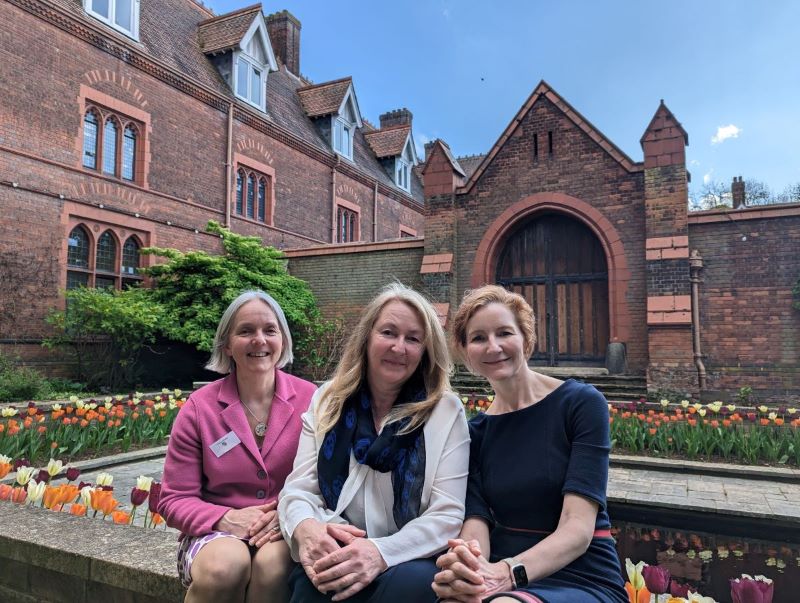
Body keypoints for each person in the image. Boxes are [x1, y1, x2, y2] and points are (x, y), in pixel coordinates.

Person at [432, 285, 627, 603]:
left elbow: (577, 527)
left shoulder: (579, 404)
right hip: (501, 573)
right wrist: (470, 568)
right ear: (466, 351)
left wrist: (509, 574)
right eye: (479, 338)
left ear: (525, 338)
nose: (493, 347)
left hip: (582, 574)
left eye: (504, 333)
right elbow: (475, 521)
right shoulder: (476, 432)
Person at [278, 283, 470, 603]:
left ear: (426, 350)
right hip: (336, 541)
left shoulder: (445, 411)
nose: (399, 347)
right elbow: (298, 489)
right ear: (367, 337)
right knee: (315, 586)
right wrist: (306, 527)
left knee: (408, 588)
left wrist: (379, 552)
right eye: (388, 333)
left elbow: (447, 515)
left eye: (413, 338)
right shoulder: (328, 399)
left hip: (410, 556)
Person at [159, 290, 317, 602]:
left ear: (282, 340)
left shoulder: (312, 400)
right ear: (227, 345)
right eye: (246, 331)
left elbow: (327, 479)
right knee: (225, 567)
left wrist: (288, 513)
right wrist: (226, 518)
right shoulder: (200, 407)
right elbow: (173, 499)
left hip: (283, 525)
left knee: (273, 568)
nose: (259, 340)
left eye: (269, 330)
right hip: (215, 530)